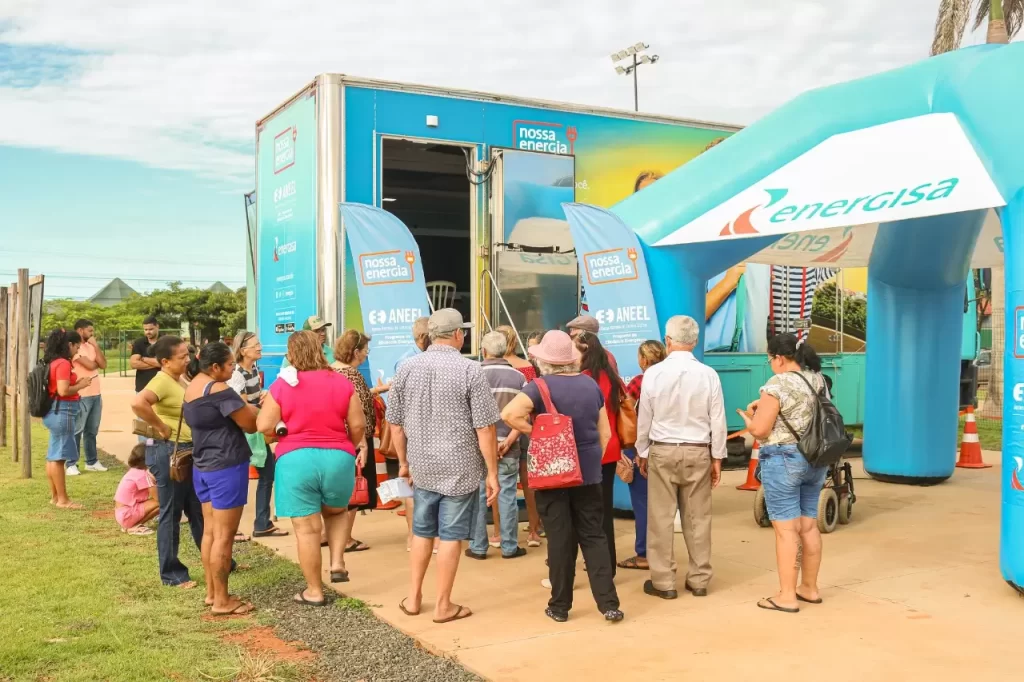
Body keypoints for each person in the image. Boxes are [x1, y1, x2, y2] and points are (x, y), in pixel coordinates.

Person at [501, 331, 624, 623]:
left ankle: (559, 606)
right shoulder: (590, 385)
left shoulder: (538, 387)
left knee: (559, 539)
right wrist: (587, 457)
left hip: (552, 474)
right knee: (594, 536)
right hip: (589, 474)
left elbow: (509, 414)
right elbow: (605, 433)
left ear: (543, 360)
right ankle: (608, 604)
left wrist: (543, 435)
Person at [387, 308, 500, 624]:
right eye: (463, 330)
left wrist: (404, 463)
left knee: (422, 531)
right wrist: (492, 472)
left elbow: (395, 424)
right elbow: (485, 428)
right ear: (456, 334)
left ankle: (413, 598)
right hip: (460, 467)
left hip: (422, 465)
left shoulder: (407, 369)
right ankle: (443, 605)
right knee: (451, 536)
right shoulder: (470, 370)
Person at [257, 331, 366, 605]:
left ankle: (314, 591)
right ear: (320, 350)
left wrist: (281, 434)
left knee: (307, 529)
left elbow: (263, 425)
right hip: (338, 457)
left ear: (291, 354)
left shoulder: (282, 385)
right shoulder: (341, 383)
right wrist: (347, 446)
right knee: (337, 511)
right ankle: (338, 562)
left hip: (295, 459)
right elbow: (358, 426)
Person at [736, 333, 829, 614]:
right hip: (815, 459)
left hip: (784, 459)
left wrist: (750, 420)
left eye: (769, 359)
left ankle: (786, 596)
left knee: (786, 531)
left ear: (778, 358)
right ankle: (809, 588)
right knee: (808, 526)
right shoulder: (818, 379)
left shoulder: (776, 383)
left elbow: (761, 430)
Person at [636, 315, 727, 600]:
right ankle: (699, 579)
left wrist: (642, 451)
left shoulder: (653, 374)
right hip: (698, 449)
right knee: (698, 517)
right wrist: (718, 456)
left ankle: (664, 582)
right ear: (696, 341)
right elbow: (718, 419)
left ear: (668, 340)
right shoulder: (709, 374)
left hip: (662, 449)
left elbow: (644, 417)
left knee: (660, 517)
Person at [184, 342, 258, 616]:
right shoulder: (220, 390)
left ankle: (212, 593)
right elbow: (250, 423)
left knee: (211, 533)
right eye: (229, 365)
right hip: (226, 465)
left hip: (202, 466)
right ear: (215, 367)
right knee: (225, 537)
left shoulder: (193, 386)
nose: (232, 369)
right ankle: (222, 602)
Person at [131, 335, 204, 588]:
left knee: (197, 510)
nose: (187, 359)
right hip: (169, 452)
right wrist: (161, 427)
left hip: (186, 451)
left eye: (187, 354)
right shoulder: (161, 380)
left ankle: (219, 561)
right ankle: (172, 573)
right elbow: (138, 403)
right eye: (182, 356)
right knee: (171, 512)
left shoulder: (178, 378)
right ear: (165, 361)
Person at [467, 331, 527, 560]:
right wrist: (510, 439)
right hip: (509, 446)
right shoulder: (519, 377)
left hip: (478, 447)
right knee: (508, 496)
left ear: (483, 351)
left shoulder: (473, 374)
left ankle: (478, 546)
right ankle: (510, 547)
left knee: (479, 496)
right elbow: (525, 415)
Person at [331, 330, 390, 553]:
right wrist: (362, 443)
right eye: (365, 350)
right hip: (355, 441)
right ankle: (345, 538)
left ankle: (330, 534)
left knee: (335, 491)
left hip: (334, 439)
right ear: (355, 352)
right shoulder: (353, 375)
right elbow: (360, 411)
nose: (366, 355)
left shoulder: (330, 370)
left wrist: (376, 390)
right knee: (354, 490)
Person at [228, 331, 288, 539]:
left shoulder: (252, 368)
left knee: (264, 474)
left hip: (252, 430)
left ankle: (260, 523)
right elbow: (242, 406)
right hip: (245, 432)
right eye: (256, 345)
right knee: (243, 479)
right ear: (243, 351)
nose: (260, 347)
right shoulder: (237, 374)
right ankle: (247, 525)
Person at [575, 333, 626, 577]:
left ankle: (595, 562)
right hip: (612, 449)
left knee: (587, 512)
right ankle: (609, 563)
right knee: (604, 510)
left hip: (589, 451)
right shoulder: (613, 378)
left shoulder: (584, 380)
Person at [617, 340, 667, 571]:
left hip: (641, 449)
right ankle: (663, 551)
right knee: (664, 505)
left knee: (643, 504)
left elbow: (629, 416)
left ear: (644, 360)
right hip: (669, 447)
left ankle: (644, 554)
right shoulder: (671, 380)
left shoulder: (639, 382)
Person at [494, 325, 542, 547]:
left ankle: (498, 531)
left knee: (497, 481)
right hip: (525, 427)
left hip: (499, 431)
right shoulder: (527, 368)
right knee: (529, 480)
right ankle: (534, 530)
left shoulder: (488, 368)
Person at [42, 329, 92, 509]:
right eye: (76, 346)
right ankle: (63, 500)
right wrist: (81, 384)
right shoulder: (63, 363)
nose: (77, 350)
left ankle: (55, 497)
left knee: (53, 456)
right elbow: (63, 390)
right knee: (59, 458)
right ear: (69, 344)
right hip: (63, 411)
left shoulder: (53, 361)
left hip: (53, 412)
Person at [68, 318, 107, 474]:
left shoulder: (91, 346)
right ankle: (71, 463)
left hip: (96, 393)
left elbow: (103, 364)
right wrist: (95, 361)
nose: (92, 334)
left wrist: (96, 347)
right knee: (77, 430)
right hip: (82, 394)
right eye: (89, 331)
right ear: (80, 330)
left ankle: (91, 461)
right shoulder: (74, 347)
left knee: (92, 430)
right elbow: (91, 365)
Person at [115, 444, 159, 535]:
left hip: (122, 513)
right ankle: (134, 526)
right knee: (163, 503)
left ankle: (132, 525)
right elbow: (158, 498)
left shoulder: (135, 471)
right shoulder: (143, 475)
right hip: (127, 515)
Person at [130, 316, 161, 393]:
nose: (148, 332)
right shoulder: (138, 343)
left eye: (151, 329)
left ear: (157, 326)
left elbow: (170, 362)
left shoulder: (165, 342)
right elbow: (134, 364)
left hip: (161, 387)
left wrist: (144, 359)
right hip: (142, 388)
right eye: (145, 329)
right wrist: (157, 363)